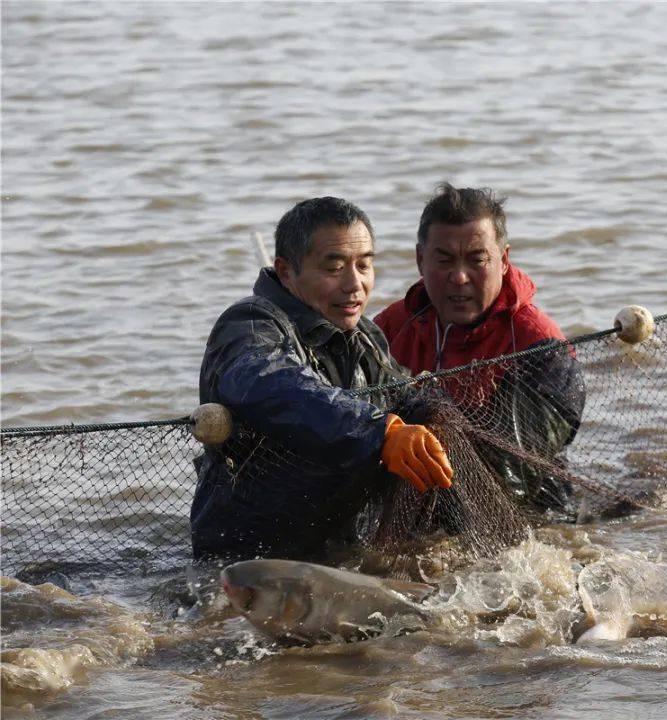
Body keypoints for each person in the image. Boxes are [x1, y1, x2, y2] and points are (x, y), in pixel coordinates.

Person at [190, 197, 453, 562]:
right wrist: (380, 432)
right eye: (334, 268)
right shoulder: (249, 324)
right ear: (285, 271)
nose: (354, 285)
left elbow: (401, 392)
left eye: (364, 266)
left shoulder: (366, 337)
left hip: (337, 548)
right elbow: (269, 384)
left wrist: (430, 415)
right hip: (250, 563)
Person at [374, 184, 584, 514]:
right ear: (419, 259)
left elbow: (514, 473)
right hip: (410, 498)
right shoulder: (390, 326)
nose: (459, 278)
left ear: (503, 260)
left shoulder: (540, 345)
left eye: (477, 260)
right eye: (444, 260)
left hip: (526, 510)